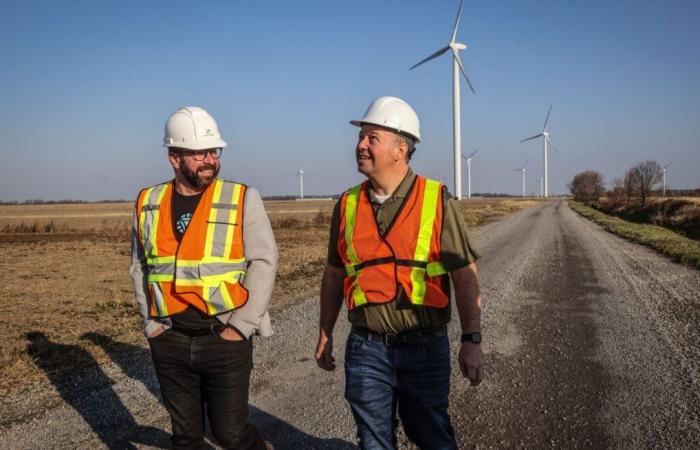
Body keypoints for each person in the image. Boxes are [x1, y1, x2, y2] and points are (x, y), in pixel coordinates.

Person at [314, 96, 485, 450]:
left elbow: (463, 272)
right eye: (361, 137)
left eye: (371, 137)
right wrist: (325, 331)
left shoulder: (436, 199)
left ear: (400, 148)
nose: (360, 145)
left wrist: (472, 339)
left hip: (424, 348)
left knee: (432, 438)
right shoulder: (345, 205)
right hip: (366, 348)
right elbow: (334, 273)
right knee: (373, 442)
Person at [130, 106, 277, 450]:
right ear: (174, 157)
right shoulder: (147, 202)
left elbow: (264, 262)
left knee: (231, 435)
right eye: (199, 153)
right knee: (185, 439)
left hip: (223, 336)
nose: (210, 159)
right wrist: (151, 323)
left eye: (214, 151)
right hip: (169, 338)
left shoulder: (242, 197)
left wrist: (240, 327)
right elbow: (140, 266)